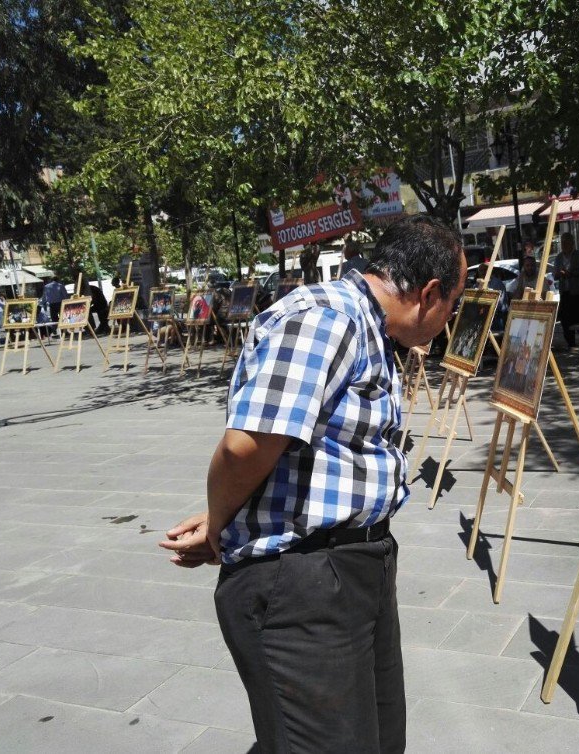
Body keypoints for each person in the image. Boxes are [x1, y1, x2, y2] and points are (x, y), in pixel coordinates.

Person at [158, 215, 467, 753]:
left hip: (351, 570)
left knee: (377, 738)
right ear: (430, 293)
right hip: (303, 585)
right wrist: (220, 531)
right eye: (454, 305)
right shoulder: (327, 319)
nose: (451, 319)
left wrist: (223, 517)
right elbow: (245, 447)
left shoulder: (370, 328)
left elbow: (307, 454)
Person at [552, 233, 579, 348]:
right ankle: (571, 344)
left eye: (567, 242)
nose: (564, 245)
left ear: (572, 243)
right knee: (566, 320)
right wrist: (560, 274)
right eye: (563, 242)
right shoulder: (559, 257)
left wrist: (572, 274)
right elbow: (554, 274)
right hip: (565, 293)